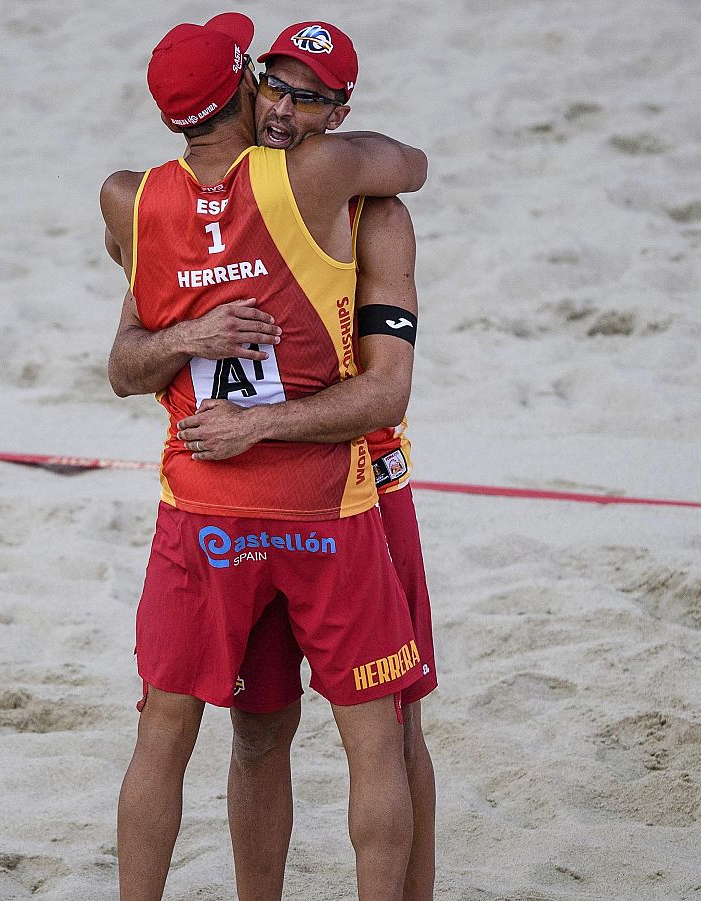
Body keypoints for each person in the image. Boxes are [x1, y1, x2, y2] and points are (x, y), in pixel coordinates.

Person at [98, 14, 428, 901]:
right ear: (244, 82)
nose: (281, 104)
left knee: (171, 733)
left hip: (202, 506)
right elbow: (411, 163)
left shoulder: (130, 199)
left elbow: (125, 362)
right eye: (269, 84)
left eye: (302, 95)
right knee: (378, 737)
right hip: (326, 502)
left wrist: (191, 328)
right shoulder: (318, 178)